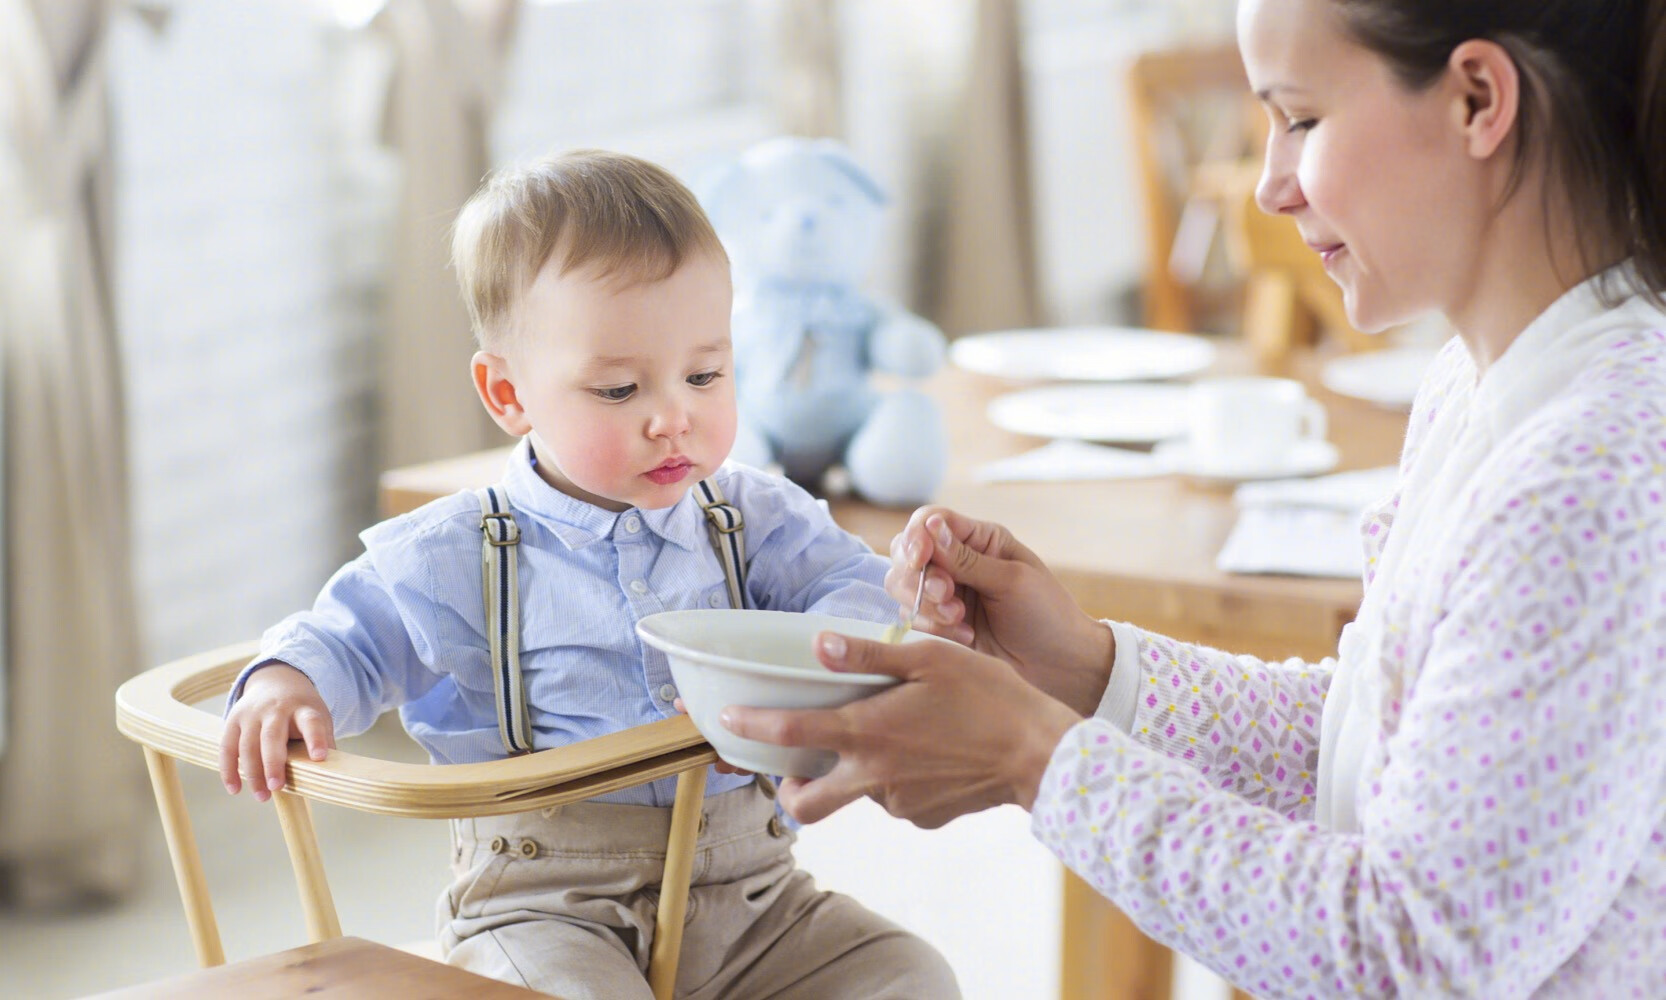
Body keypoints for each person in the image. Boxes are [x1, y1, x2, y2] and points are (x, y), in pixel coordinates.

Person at [720, 1, 1666, 996]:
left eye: (1298, 117)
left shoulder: (1591, 477)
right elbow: (1379, 744)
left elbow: (1409, 951)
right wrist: (1086, 669)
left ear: (1477, 98)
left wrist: (1034, 756)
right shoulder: (1481, 386)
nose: (1268, 185)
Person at [216, 150, 958, 1000]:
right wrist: (286, 680)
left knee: (907, 976)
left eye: (705, 374)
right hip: (543, 910)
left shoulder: (754, 518)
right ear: (508, 393)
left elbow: (851, 587)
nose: (673, 415)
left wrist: (824, 654)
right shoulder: (460, 549)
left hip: (754, 901)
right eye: (617, 390)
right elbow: (349, 638)